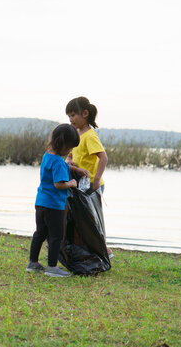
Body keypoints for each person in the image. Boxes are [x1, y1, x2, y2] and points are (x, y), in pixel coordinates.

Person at [26, 124, 79, 277]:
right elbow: (58, 184)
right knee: (56, 236)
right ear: (62, 144)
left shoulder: (47, 156)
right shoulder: (58, 162)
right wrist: (71, 183)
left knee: (40, 233)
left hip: (41, 202)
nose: (69, 151)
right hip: (54, 205)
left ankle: (33, 262)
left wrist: (67, 166)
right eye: (69, 148)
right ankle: (52, 267)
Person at [65, 96, 113, 258]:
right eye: (69, 116)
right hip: (80, 183)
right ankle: (89, 249)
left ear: (85, 113)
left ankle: (104, 250)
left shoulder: (90, 135)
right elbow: (71, 155)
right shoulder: (77, 134)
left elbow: (103, 158)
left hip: (92, 185)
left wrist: (96, 180)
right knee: (82, 219)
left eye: (73, 115)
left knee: (93, 219)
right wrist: (70, 161)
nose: (71, 119)